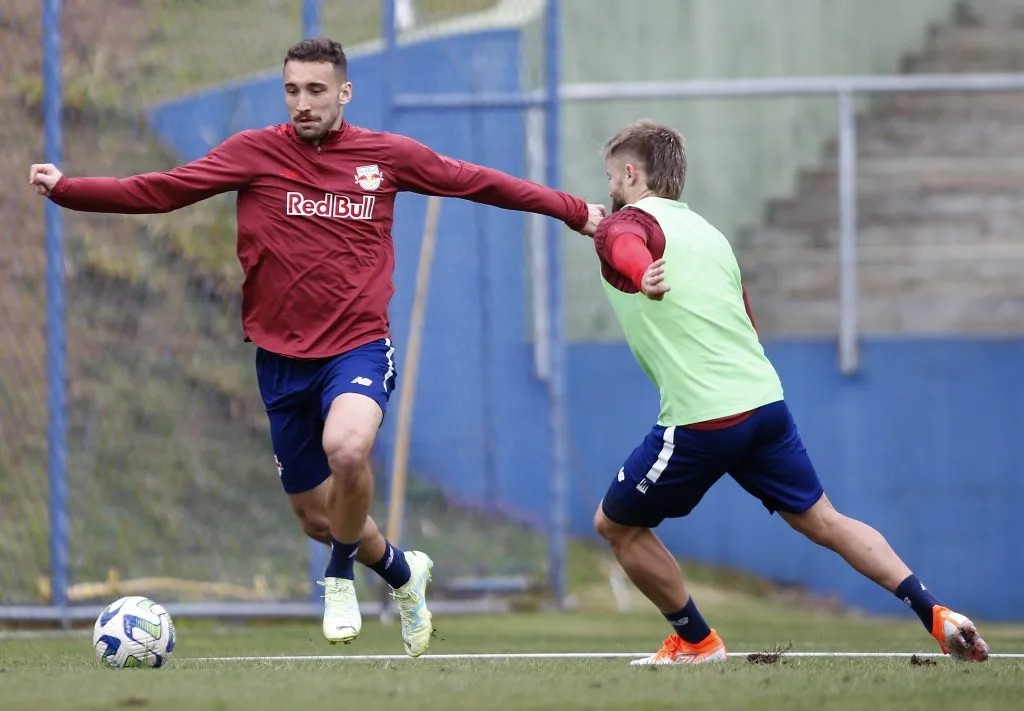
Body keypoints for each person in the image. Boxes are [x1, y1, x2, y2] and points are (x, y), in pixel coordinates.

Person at [29, 38, 605, 657]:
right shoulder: (254, 153)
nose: (302, 102)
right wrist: (69, 189)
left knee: (348, 450)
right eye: (292, 90)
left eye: (316, 90)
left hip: (357, 346)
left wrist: (575, 212)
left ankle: (338, 579)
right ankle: (405, 575)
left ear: (344, 93)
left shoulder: (384, 157)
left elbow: (478, 182)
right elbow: (163, 189)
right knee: (316, 516)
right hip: (280, 361)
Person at [587, 119, 989, 665]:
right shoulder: (710, 235)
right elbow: (747, 321)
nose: (610, 187)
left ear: (632, 174)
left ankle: (696, 640)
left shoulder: (623, 225)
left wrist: (640, 274)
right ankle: (937, 614)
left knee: (616, 525)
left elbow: (627, 242)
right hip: (764, 404)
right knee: (826, 521)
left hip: (704, 417)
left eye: (612, 176)